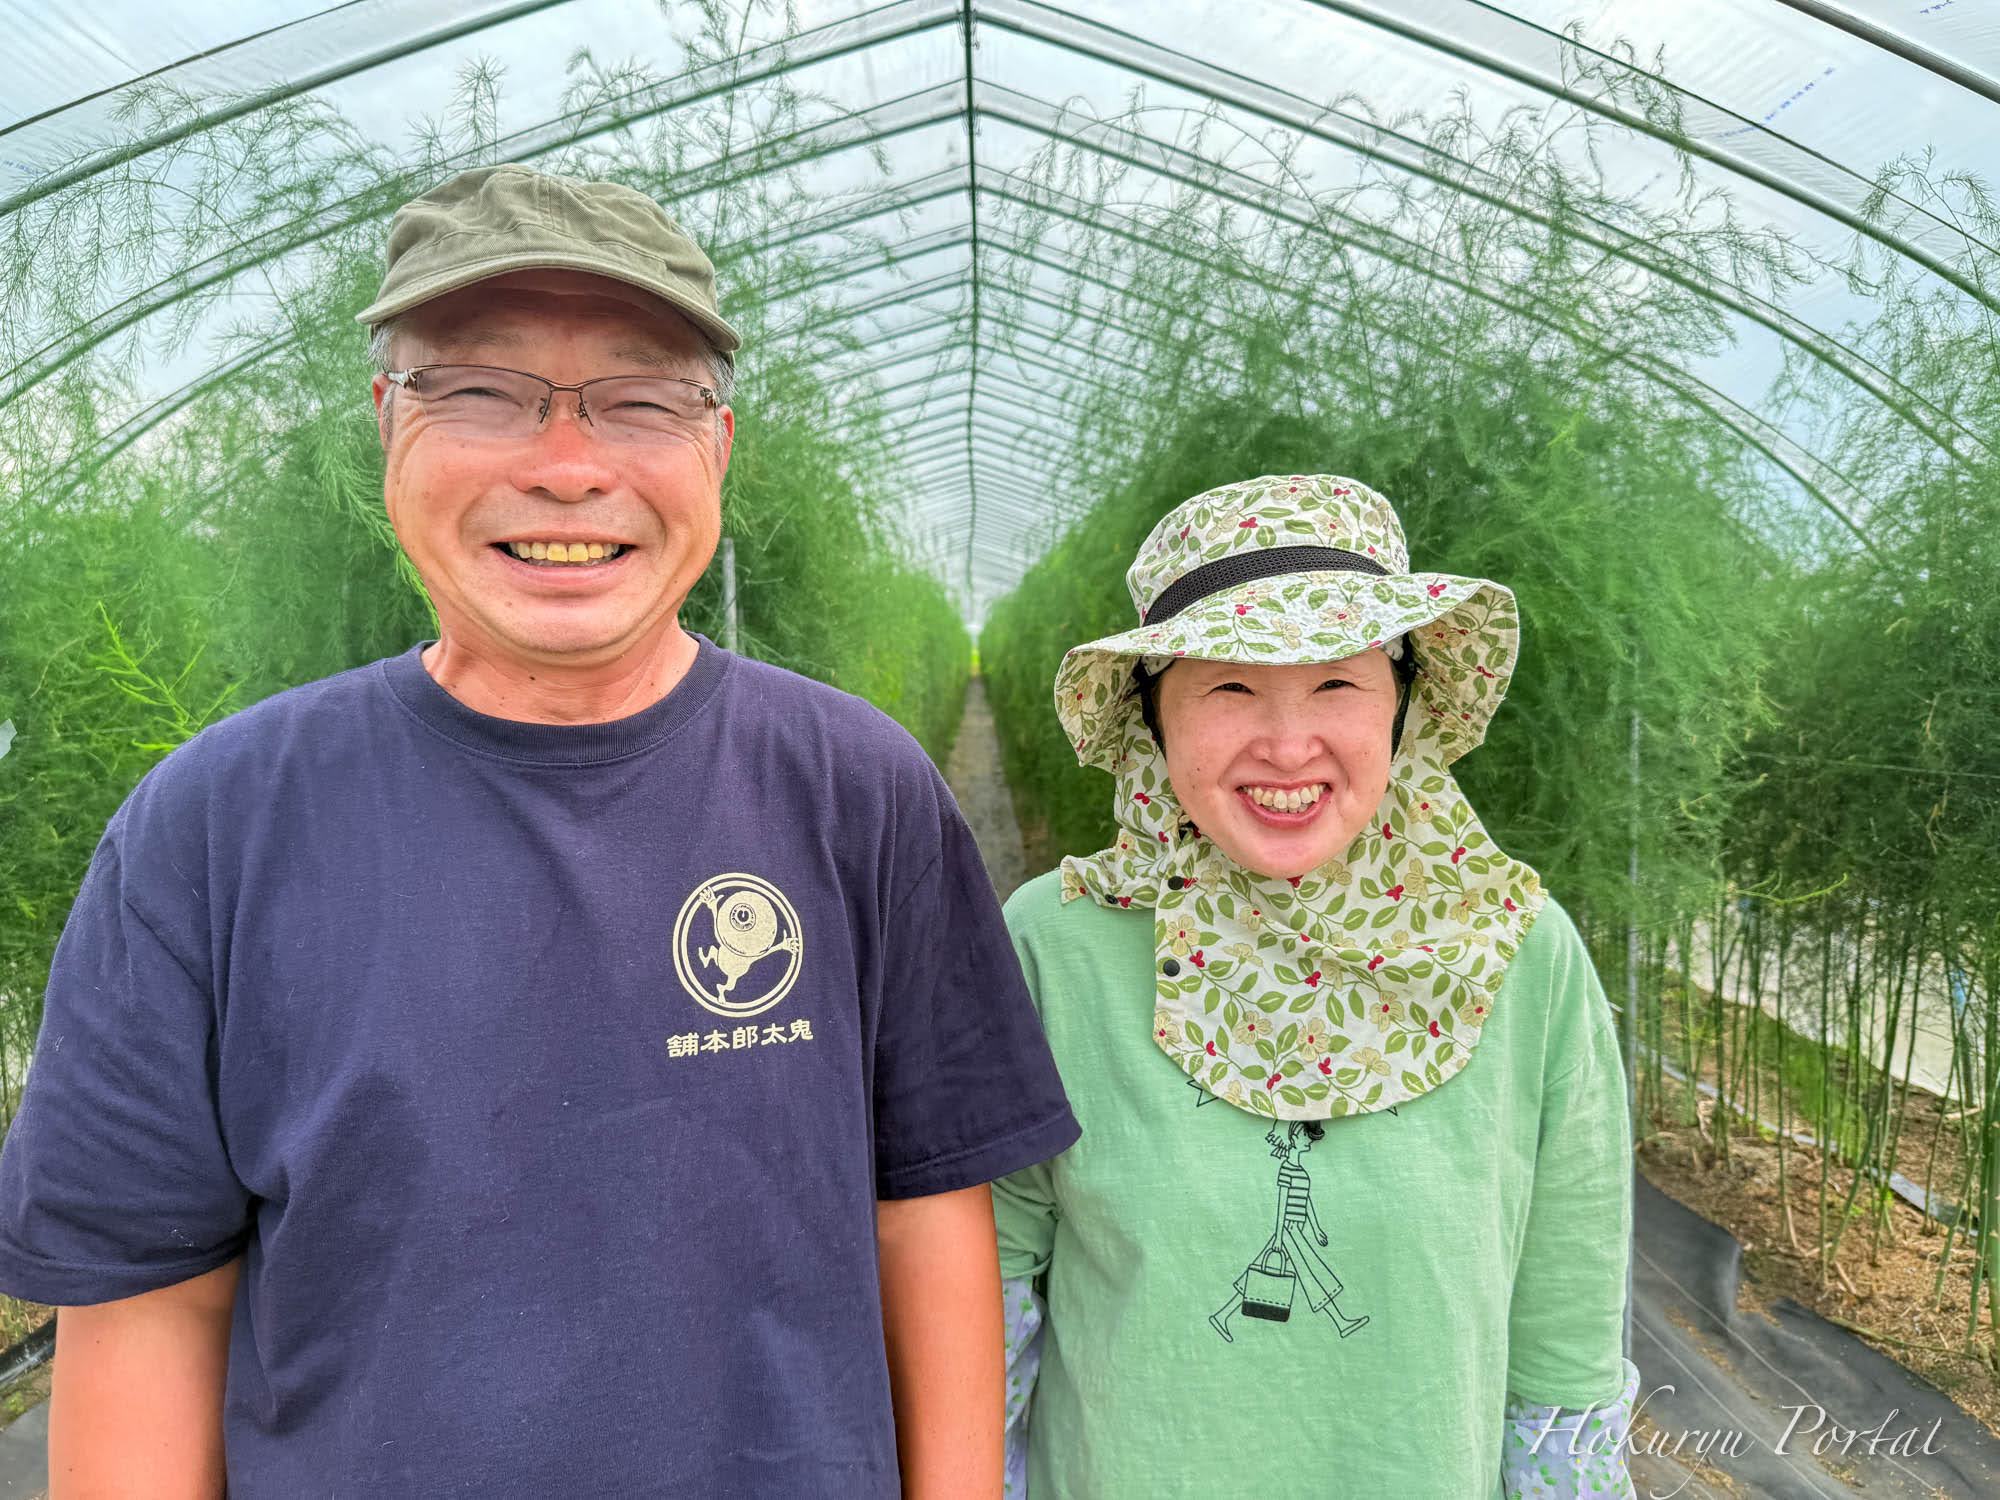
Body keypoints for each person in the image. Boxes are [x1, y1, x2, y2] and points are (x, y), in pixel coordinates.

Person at [0, 164, 1078, 1498]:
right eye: (482, 391)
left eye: (639, 398)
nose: (568, 467)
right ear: (389, 423)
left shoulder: (858, 787)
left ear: (718, 447)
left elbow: (926, 1217)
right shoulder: (215, 829)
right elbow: (153, 1307)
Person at [992, 474, 1639, 1498]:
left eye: (1336, 684)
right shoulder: (1056, 946)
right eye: (1229, 689)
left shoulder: (1516, 956)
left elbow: (1564, 1338)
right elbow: (990, 1309)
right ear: (1152, 719)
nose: (1287, 747)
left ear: (1403, 707)